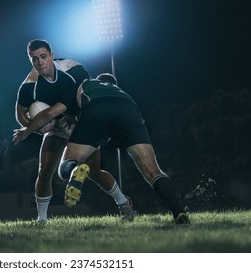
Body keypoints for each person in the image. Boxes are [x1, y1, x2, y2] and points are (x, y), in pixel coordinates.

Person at [14, 39, 134, 222]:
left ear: (52, 56)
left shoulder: (72, 69)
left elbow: (90, 96)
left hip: (82, 123)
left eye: (43, 57)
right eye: (34, 59)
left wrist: (80, 117)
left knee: (95, 172)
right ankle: (42, 219)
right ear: (30, 60)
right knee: (44, 170)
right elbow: (20, 113)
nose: (40, 62)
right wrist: (36, 129)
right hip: (56, 127)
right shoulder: (29, 85)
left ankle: (125, 204)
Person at [58, 73, 190, 224]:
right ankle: (179, 213)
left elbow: (58, 111)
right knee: (153, 172)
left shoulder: (88, 83)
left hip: (96, 110)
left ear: (99, 81)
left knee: (67, 164)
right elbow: (128, 132)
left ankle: (74, 169)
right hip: (128, 111)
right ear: (115, 85)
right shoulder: (123, 94)